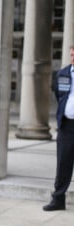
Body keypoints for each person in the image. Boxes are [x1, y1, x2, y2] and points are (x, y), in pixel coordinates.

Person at [44, 46, 74, 211]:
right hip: (67, 125)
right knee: (63, 163)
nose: (73, 57)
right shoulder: (63, 73)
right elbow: (58, 93)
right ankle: (58, 199)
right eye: (71, 54)